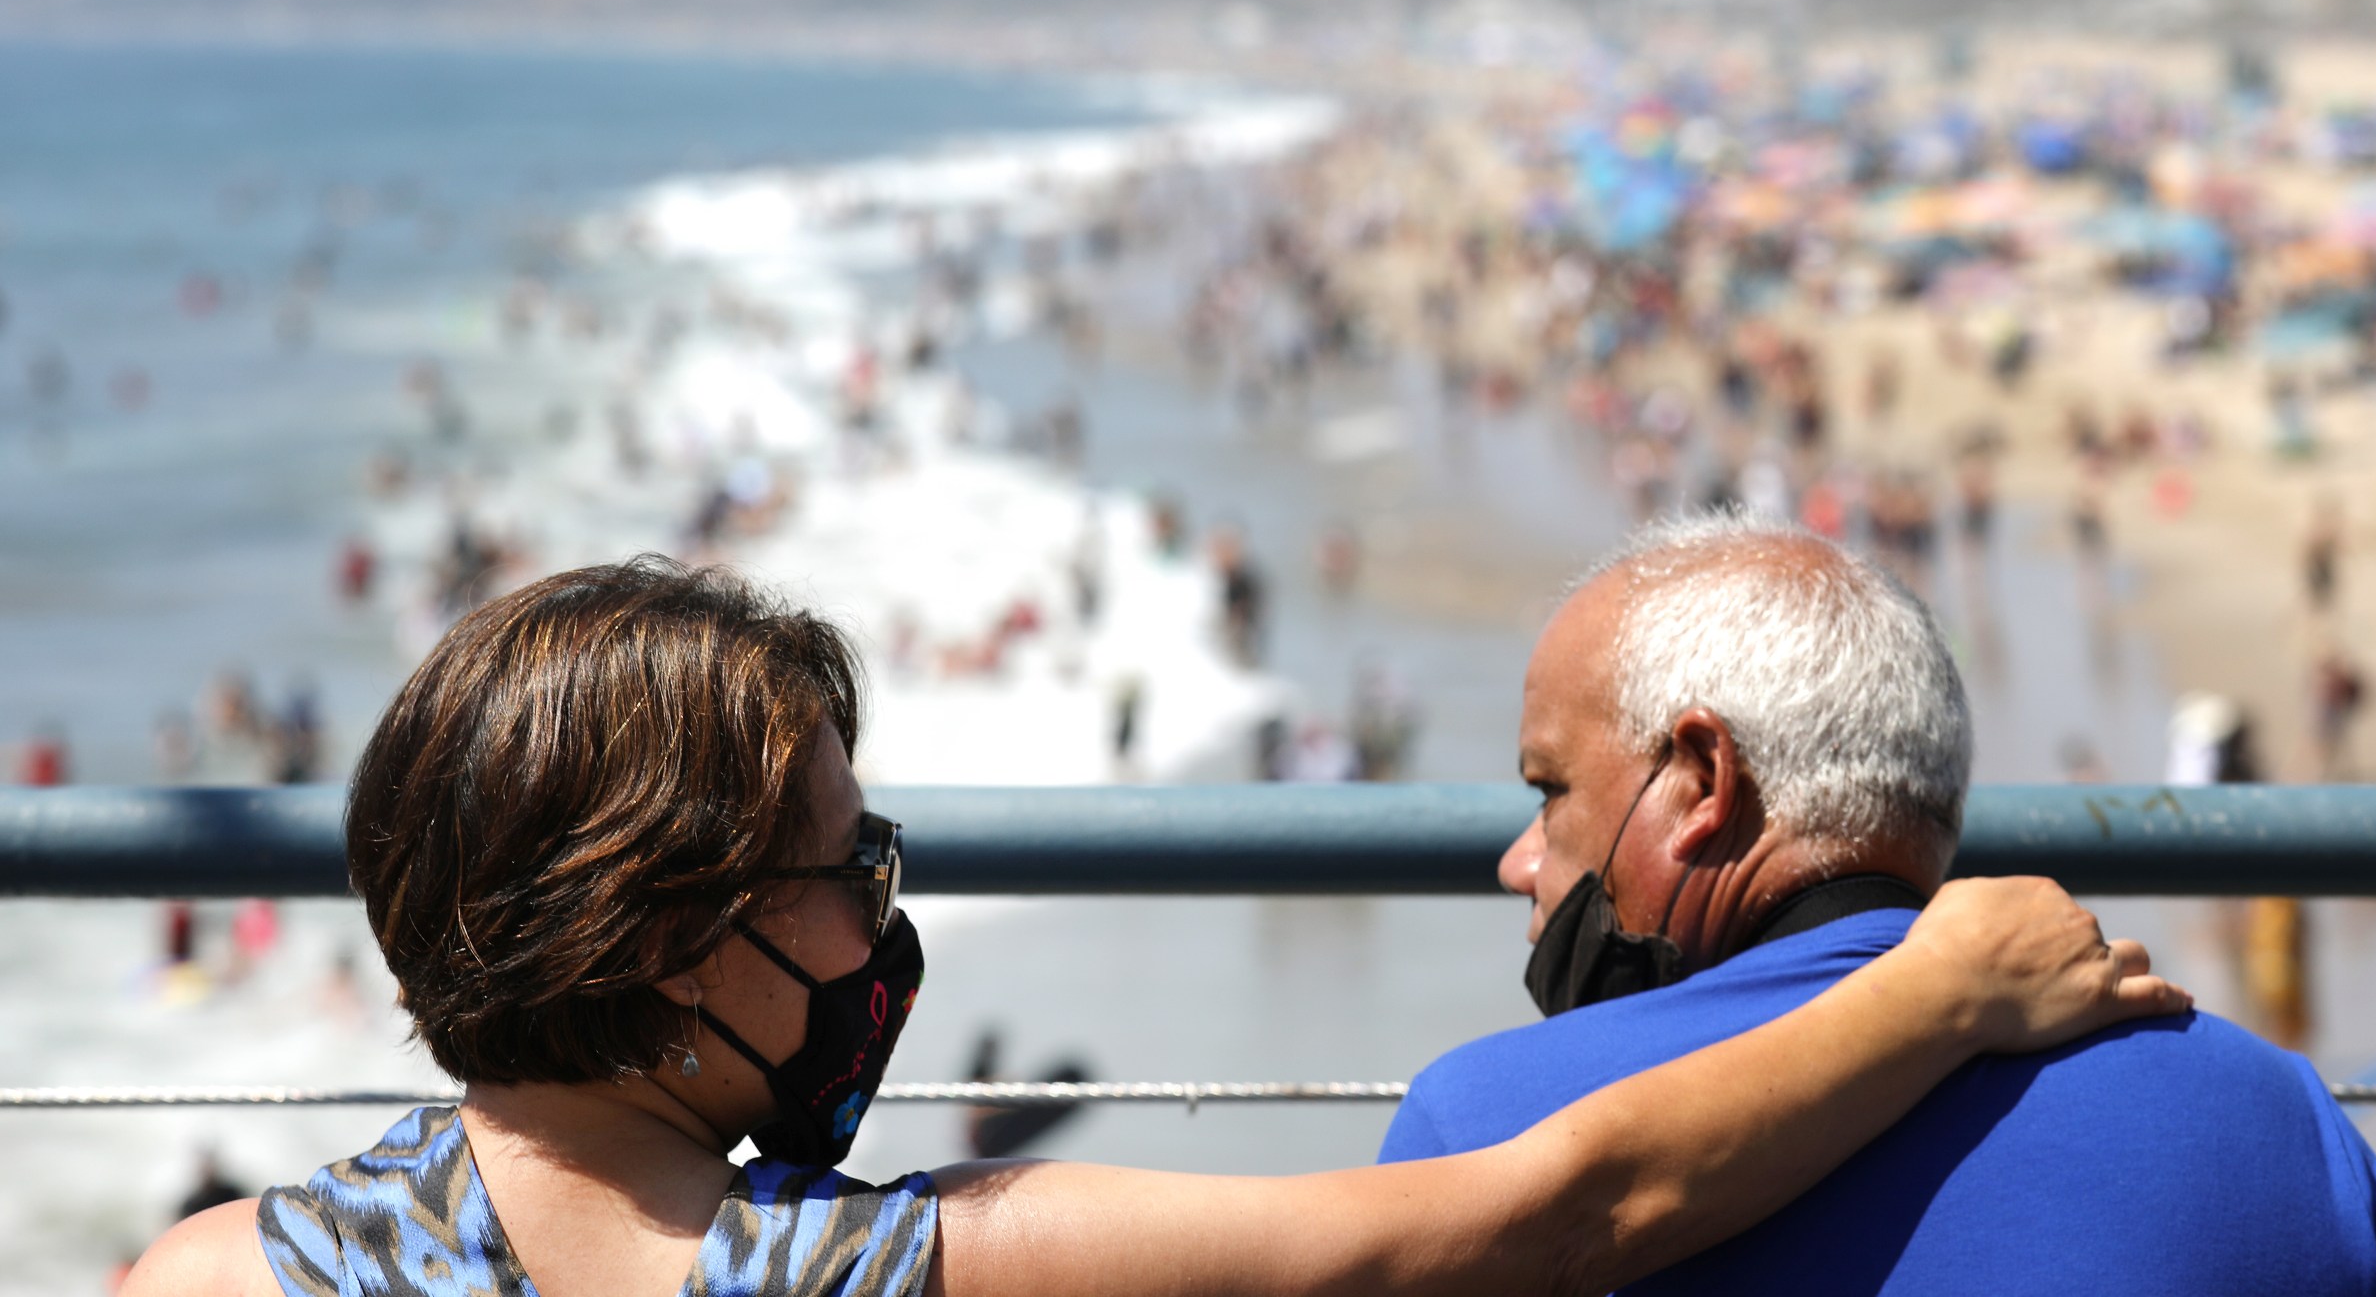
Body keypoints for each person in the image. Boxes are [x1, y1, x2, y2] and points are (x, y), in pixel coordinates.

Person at [126, 557, 2179, 1297]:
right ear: (673, 943)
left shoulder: (204, 1280)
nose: (878, 928)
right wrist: (1937, 987)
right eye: (847, 876)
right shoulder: (905, 1268)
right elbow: (1557, 1217)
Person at [1380, 511, 2376, 1296]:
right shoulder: (2277, 1117)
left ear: (1701, 782)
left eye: (1549, 790)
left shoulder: (1482, 1145)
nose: (1521, 861)